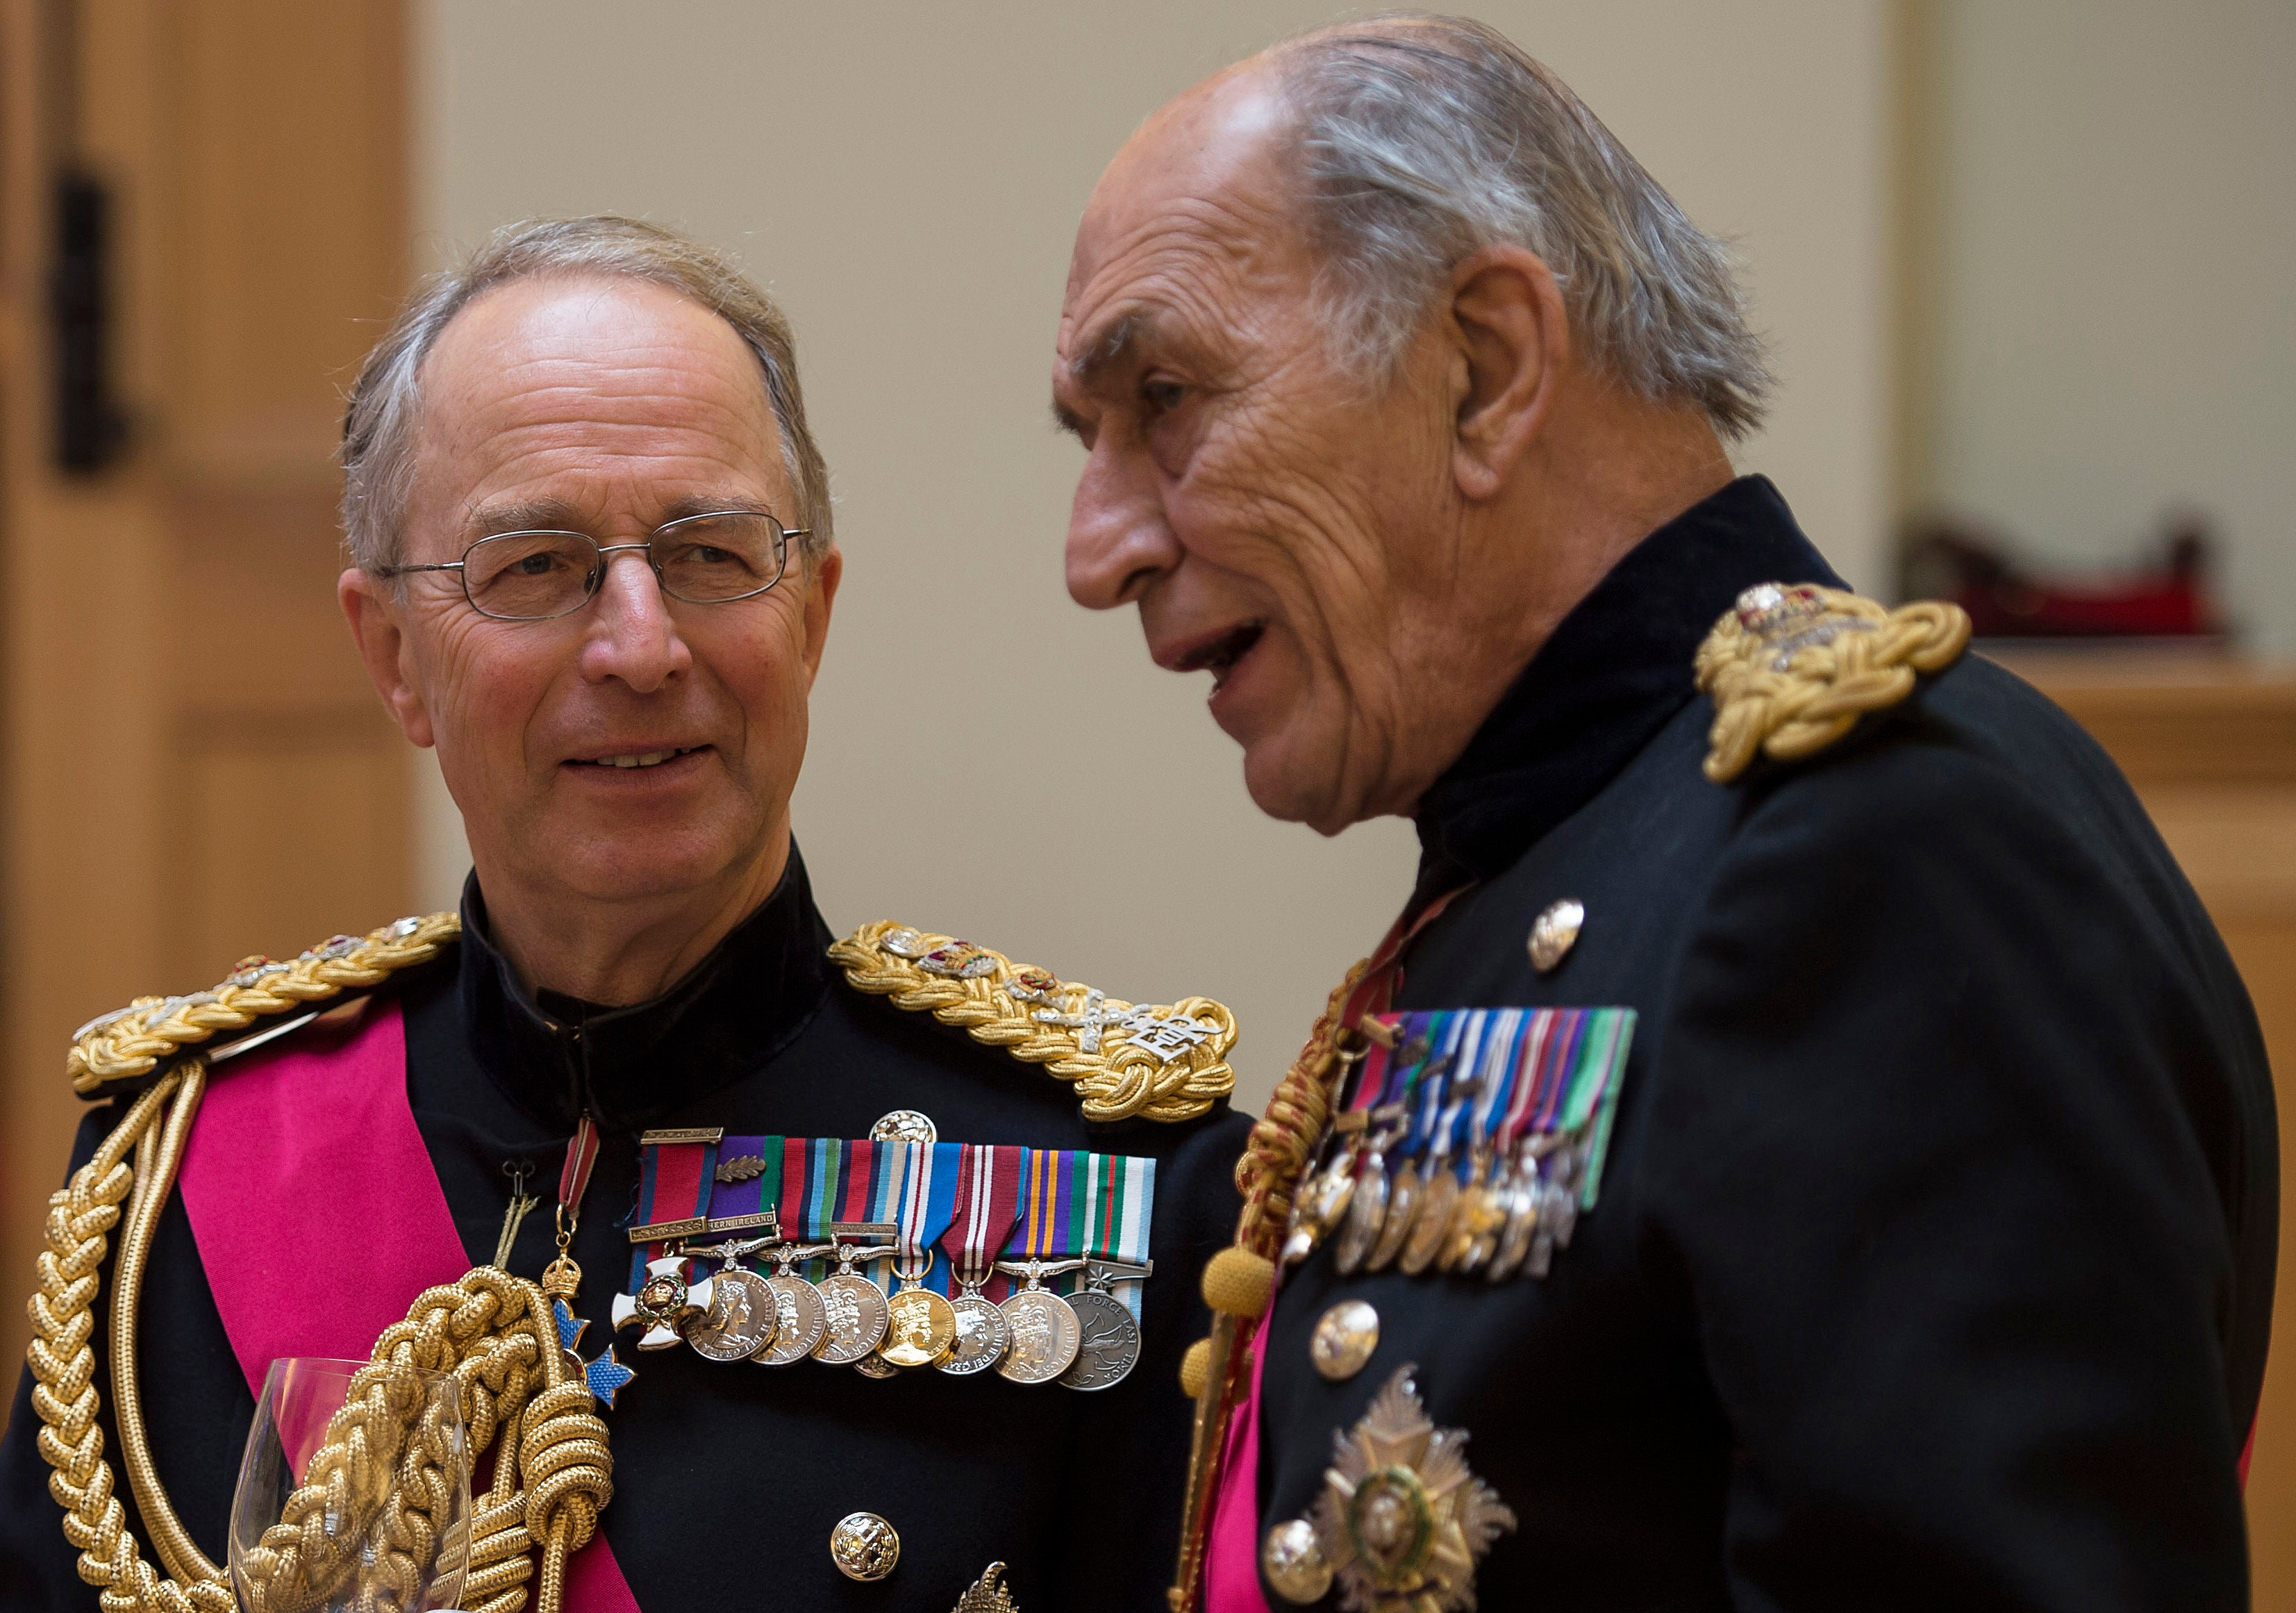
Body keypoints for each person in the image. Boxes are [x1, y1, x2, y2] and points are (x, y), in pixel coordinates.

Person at [1052, 16, 2277, 1613]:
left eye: (1167, 398)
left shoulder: (1880, 847)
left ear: (1484, 368)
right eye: (1091, 444)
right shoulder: (1581, 840)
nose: (1096, 552)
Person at [1, 216, 1251, 1613]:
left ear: (812, 620)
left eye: (713, 555)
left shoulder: (1128, 1190)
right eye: (534, 566)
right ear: (394, 658)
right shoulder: (185, 1172)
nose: (642, 647)